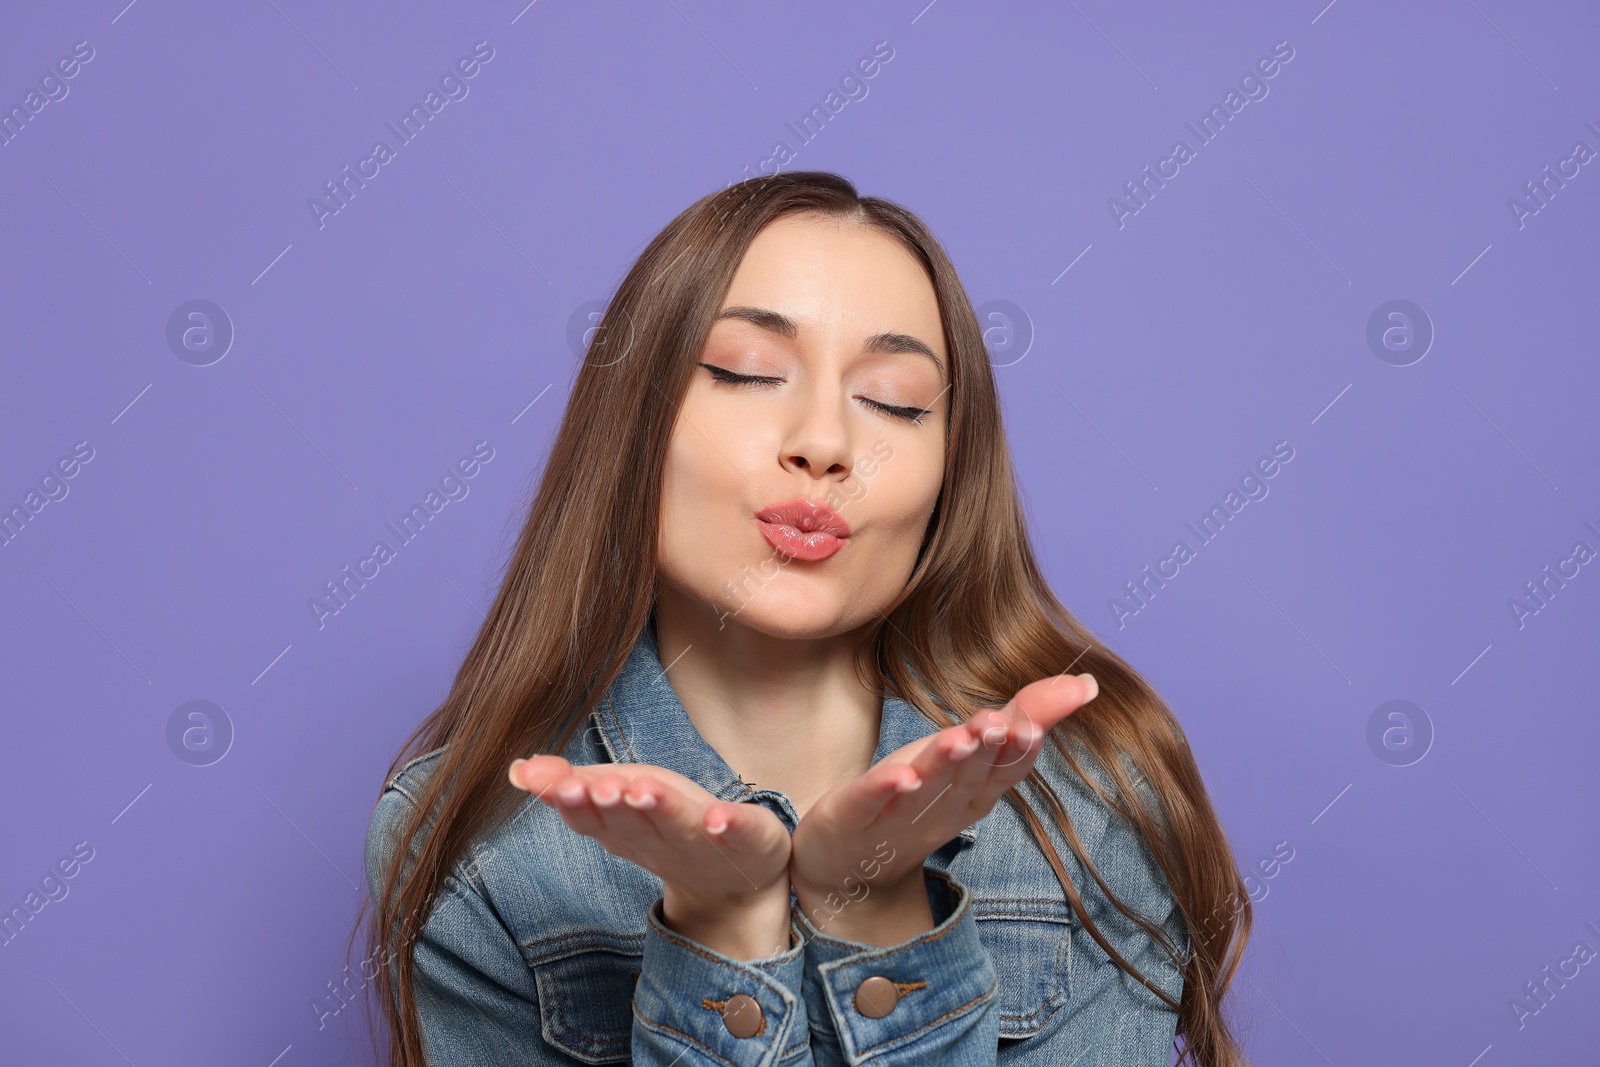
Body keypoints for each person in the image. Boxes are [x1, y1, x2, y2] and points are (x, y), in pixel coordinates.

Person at [359, 171, 1251, 1066]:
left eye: (895, 399)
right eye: (747, 372)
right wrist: (720, 926)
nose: (824, 443)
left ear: (950, 474)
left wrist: (878, 912)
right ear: (634, 420)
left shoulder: (1089, 809)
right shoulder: (473, 845)